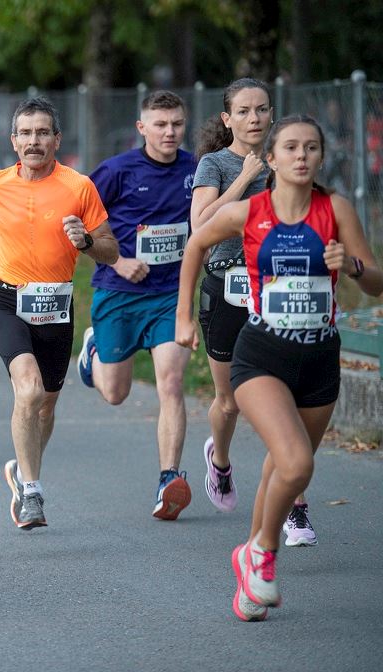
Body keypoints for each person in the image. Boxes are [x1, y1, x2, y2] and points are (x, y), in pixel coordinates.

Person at [175, 115, 382, 621]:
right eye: (290, 147)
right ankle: (261, 553)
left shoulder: (335, 210)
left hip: (319, 359)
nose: (302, 156)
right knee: (296, 463)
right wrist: (184, 315)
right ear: (271, 158)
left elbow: (377, 281)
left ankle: (250, 578)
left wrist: (351, 268)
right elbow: (197, 242)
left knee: (281, 468)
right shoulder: (250, 212)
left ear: (320, 158)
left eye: (312, 147)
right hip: (263, 353)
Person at [0, 97, 118, 530]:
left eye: (42, 132)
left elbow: (111, 251)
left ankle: (21, 470)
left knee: (46, 406)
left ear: (56, 139)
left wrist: (86, 241)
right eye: (26, 133)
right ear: (13, 141)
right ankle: (32, 493)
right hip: (7, 301)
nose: (34, 141)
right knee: (28, 390)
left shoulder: (78, 186)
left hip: (56, 306)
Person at [76, 91, 197, 519]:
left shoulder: (195, 170)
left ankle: (169, 478)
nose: (170, 132)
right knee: (114, 393)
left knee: (170, 383)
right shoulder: (116, 172)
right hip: (119, 292)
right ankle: (93, 351)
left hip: (168, 296)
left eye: (177, 124)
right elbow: (80, 225)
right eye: (160, 124)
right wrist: (119, 260)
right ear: (141, 128)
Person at [190, 79, 299, 528]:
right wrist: (247, 178)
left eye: (261, 110)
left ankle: (296, 507)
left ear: (271, 114)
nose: (254, 118)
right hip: (225, 288)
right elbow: (200, 224)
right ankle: (220, 459)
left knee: (285, 398)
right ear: (227, 118)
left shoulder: (287, 161)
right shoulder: (214, 164)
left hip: (275, 288)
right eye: (244, 111)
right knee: (230, 401)